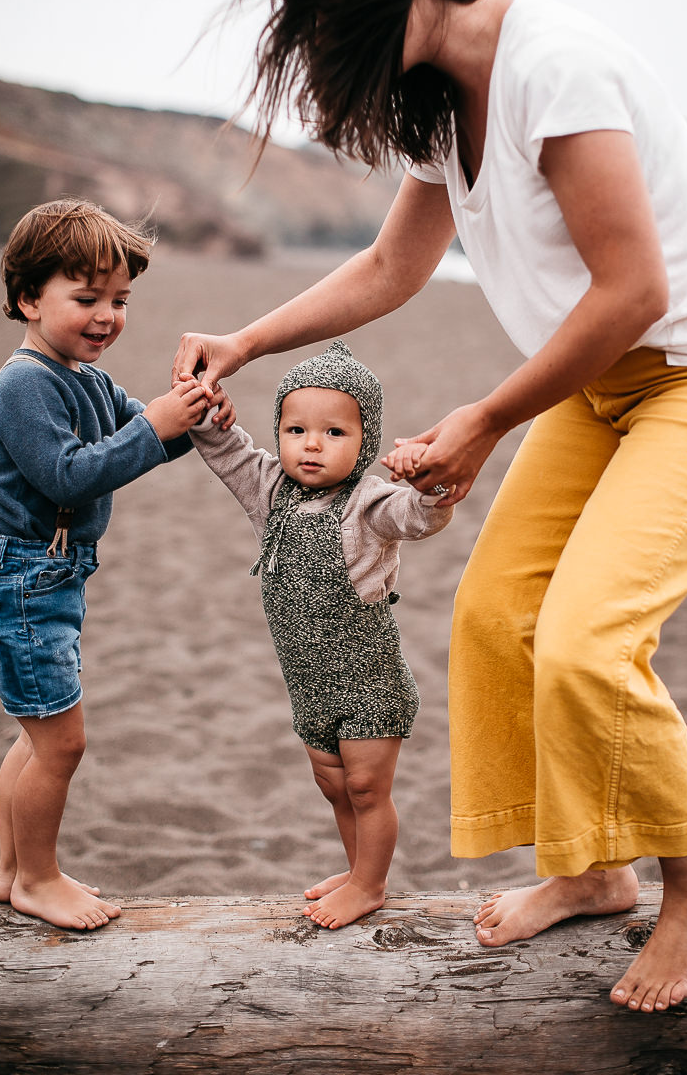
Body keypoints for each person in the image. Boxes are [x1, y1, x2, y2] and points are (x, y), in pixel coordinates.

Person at [172, 0, 687, 1010]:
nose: (322, 47)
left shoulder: (556, 65)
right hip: (597, 381)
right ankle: (590, 871)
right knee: (499, 618)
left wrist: (488, 419)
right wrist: (246, 340)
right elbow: (392, 267)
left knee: (588, 640)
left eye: (331, 15)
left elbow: (634, 288)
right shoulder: (442, 96)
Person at [0, 198, 231, 930]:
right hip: (18, 579)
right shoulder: (25, 383)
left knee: (36, 734)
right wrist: (155, 426)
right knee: (62, 741)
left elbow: (142, 432)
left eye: (119, 300)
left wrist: (191, 414)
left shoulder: (84, 377)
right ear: (28, 297)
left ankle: (11, 871)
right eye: (86, 298)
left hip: (45, 577)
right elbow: (69, 474)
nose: (107, 316)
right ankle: (39, 877)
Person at [188, 339, 452, 930]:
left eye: (334, 433)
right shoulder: (272, 491)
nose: (311, 445)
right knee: (333, 785)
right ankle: (358, 867)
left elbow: (418, 515)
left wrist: (432, 485)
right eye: (295, 429)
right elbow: (228, 453)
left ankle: (370, 885)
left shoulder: (368, 503)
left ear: (366, 443)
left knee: (365, 787)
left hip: (368, 682)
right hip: (309, 685)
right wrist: (210, 414)